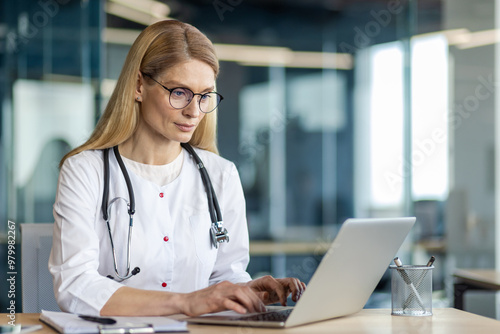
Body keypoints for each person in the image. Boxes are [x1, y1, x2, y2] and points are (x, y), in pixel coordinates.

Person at [49, 19, 306, 317]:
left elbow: (225, 276)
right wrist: (186, 302)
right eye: (180, 92)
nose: (194, 111)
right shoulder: (85, 171)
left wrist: (244, 292)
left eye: (204, 96)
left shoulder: (221, 175)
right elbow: (75, 286)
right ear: (138, 86)